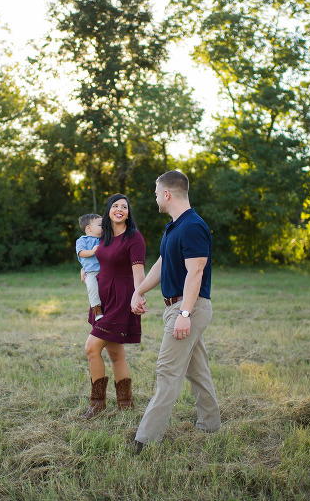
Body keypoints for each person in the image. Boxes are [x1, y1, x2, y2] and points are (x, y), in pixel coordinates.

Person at [129, 170, 220, 452]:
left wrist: (184, 315)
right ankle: (210, 425)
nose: (155, 198)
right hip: (178, 307)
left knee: (167, 371)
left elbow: (196, 272)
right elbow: (162, 264)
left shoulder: (193, 226)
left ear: (166, 194)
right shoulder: (174, 227)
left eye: (156, 193)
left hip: (188, 307)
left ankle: (145, 440)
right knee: (198, 370)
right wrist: (139, 291)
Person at [81, 194, 146, 419]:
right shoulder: (104, 236)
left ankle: (97, 404)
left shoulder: (134, 237)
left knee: (91, 348)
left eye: (124, 207)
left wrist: (139, 295)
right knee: (116, 354)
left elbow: (139, 272)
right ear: (108, 210)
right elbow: (96, 259)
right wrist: (84, 269)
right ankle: (125, 405)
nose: (119, 209)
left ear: (128, 213)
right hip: (103, 298)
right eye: (115, 206)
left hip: (121, 299)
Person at [76, 213, 104, 321]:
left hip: (105, 271)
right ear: (89, 228)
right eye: (100, 225)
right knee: (93, 289)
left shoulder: (104, 239)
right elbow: (81, 252)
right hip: (91, 272)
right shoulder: (83, 240)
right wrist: (92, 251)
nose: (103, 227)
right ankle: (97, 310)